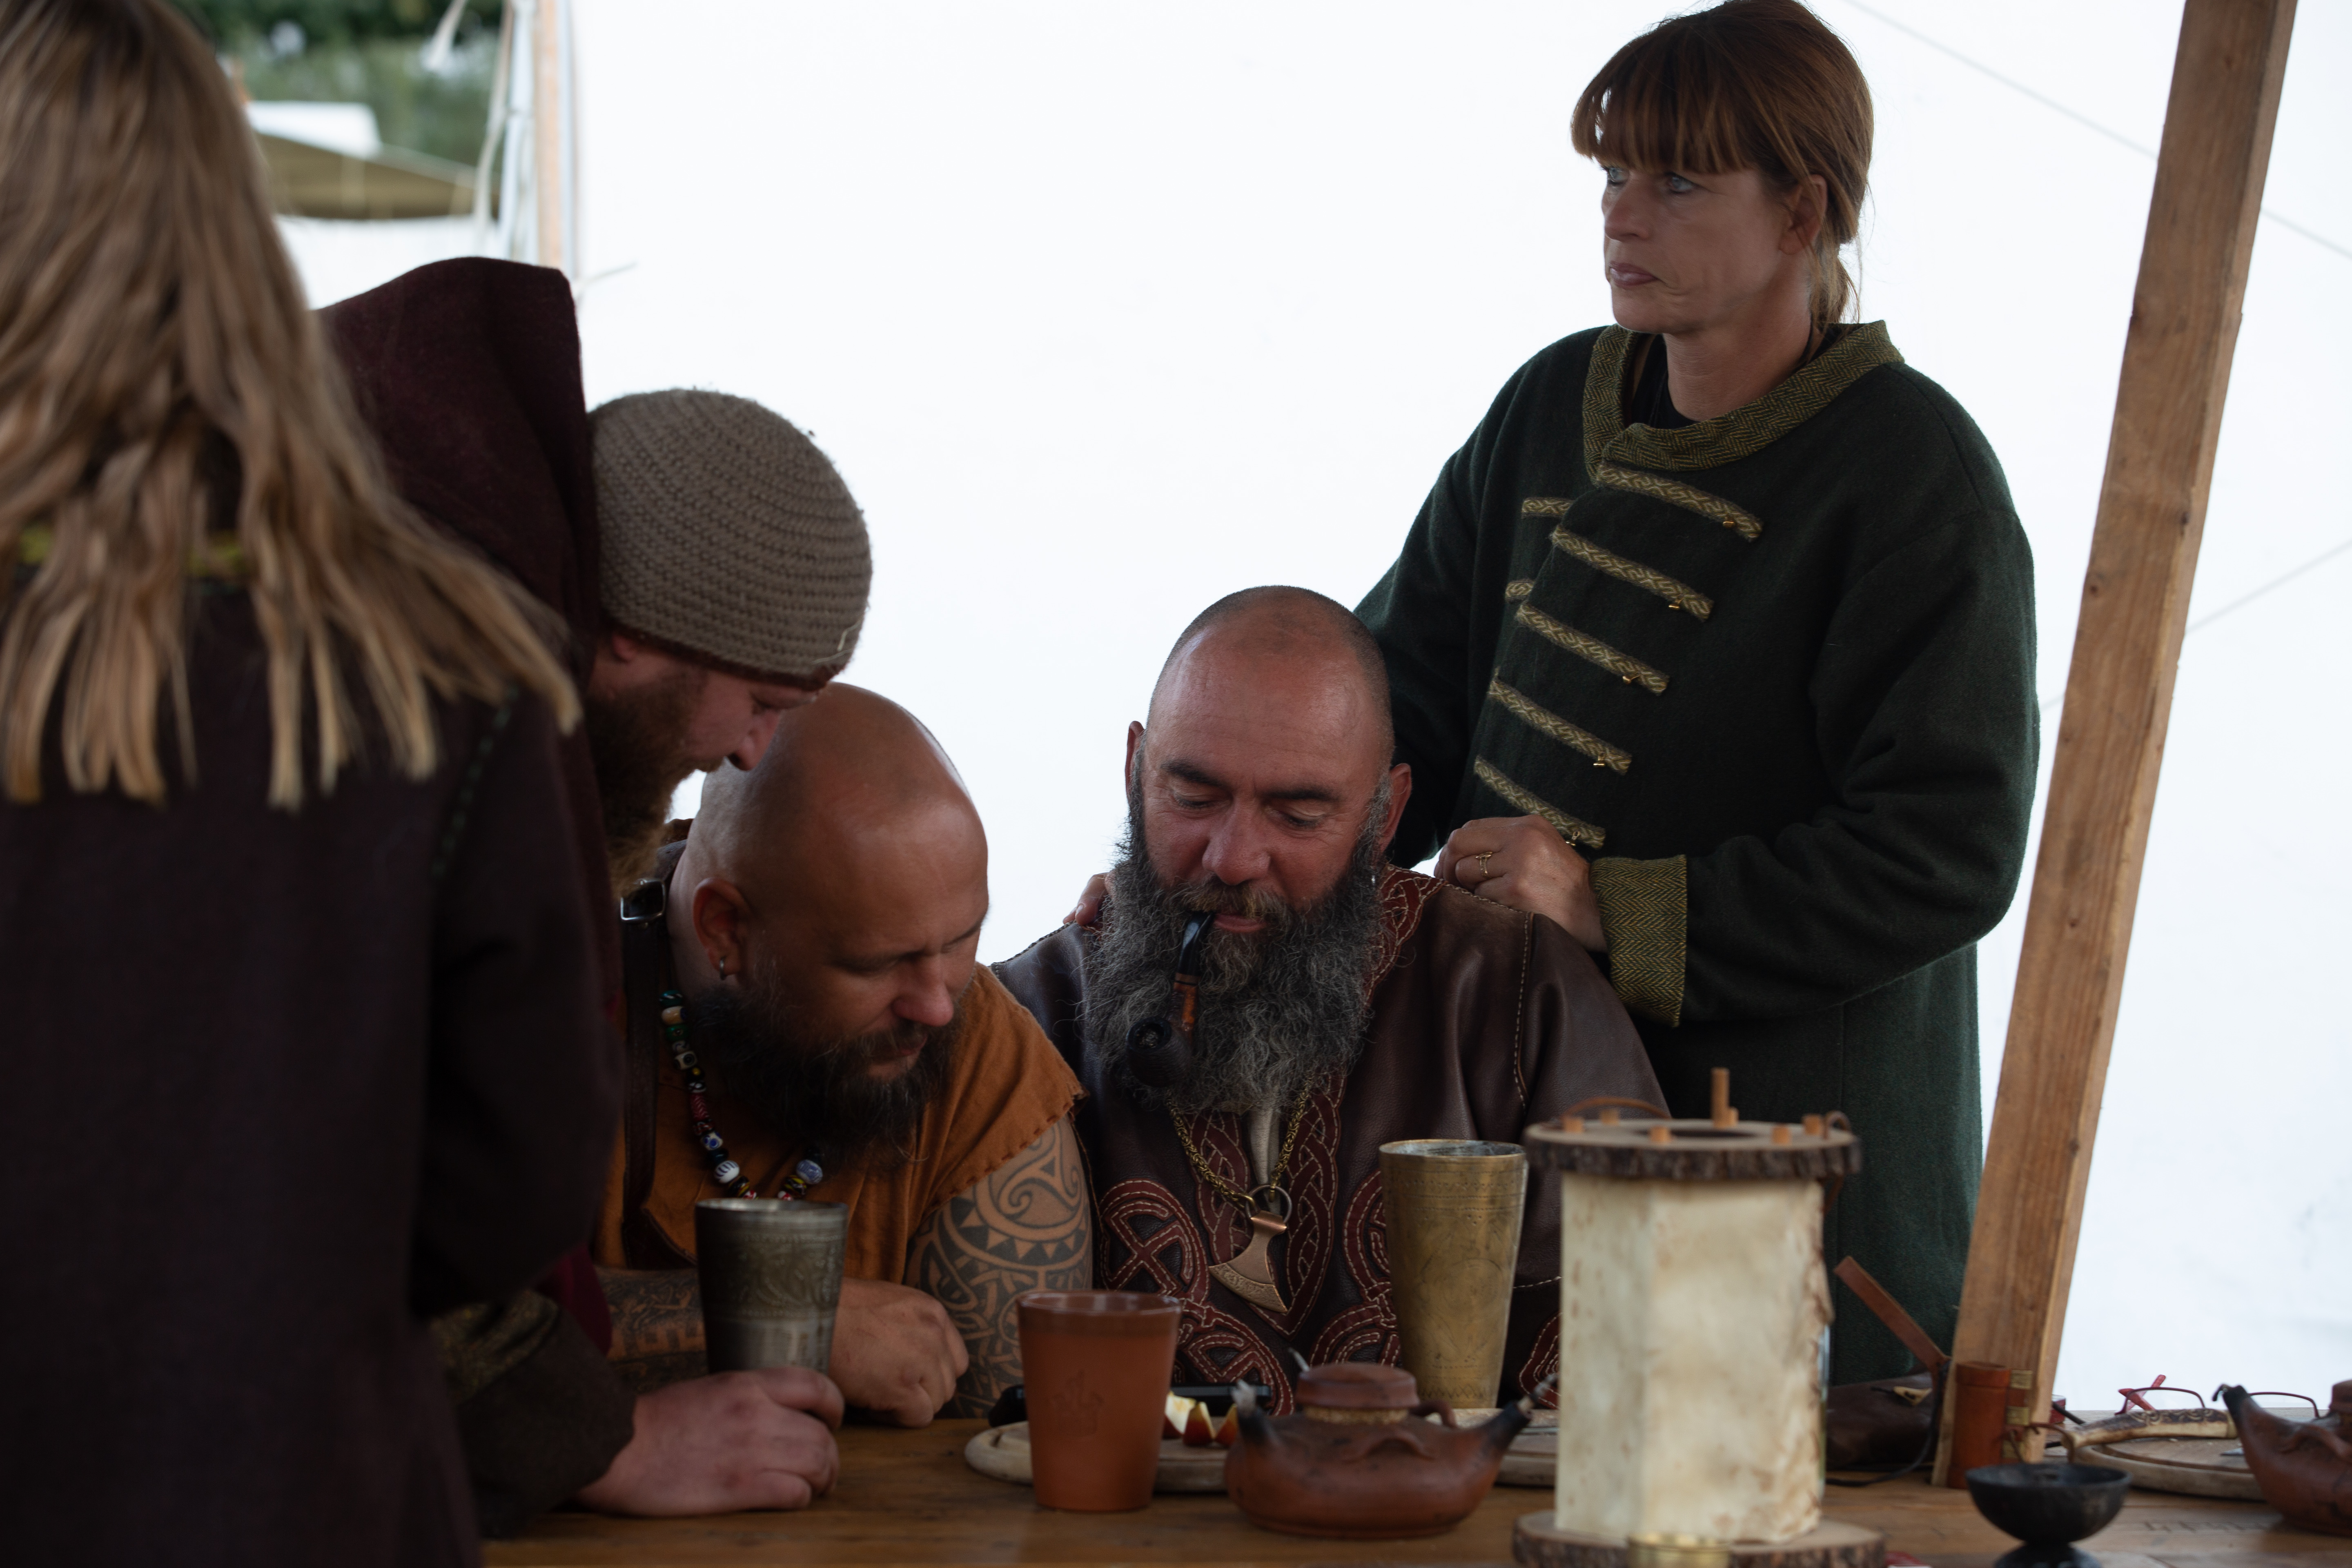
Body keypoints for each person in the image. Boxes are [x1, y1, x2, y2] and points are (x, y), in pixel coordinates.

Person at [0, 0, 671, 1561]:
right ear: (238, 241)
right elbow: (517, 1183)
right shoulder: (450, 662)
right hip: (304, 1486)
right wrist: (278, 1269)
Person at [1351, 0, 2037, 1382]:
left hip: (1786, 1162)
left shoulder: (1912, 475)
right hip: (1521, 1117)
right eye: (1614, 173)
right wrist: (1260, 841)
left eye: (1677, 181)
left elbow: (1944, 849)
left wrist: (1609, 905)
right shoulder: (1551, 403)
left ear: (1803, 213)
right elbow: (1397, 700)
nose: (1622, 215)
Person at [323, 264, 875, 1525]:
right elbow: (343, 1153)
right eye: (762, 701)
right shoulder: (410, 723)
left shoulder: (468, 667)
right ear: (632, 630)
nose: (751, 753)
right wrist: (596, 1445)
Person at [997, 588, 1661, 1409]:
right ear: (1136, 771)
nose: (1233, 858)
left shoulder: (1518, 996)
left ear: (1385, 818)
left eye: (1299, 815)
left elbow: (1649, 1365)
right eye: (1193, 798)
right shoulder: (1026, 1017)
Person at [595, 684, 1090, 1416]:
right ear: (724, 928)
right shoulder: (543, 1003)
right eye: (876, 965)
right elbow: (444, 1337)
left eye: (963, 941)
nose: (937, 1006)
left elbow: (1018, 1436)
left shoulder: (980, 1046)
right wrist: (790, 1324)